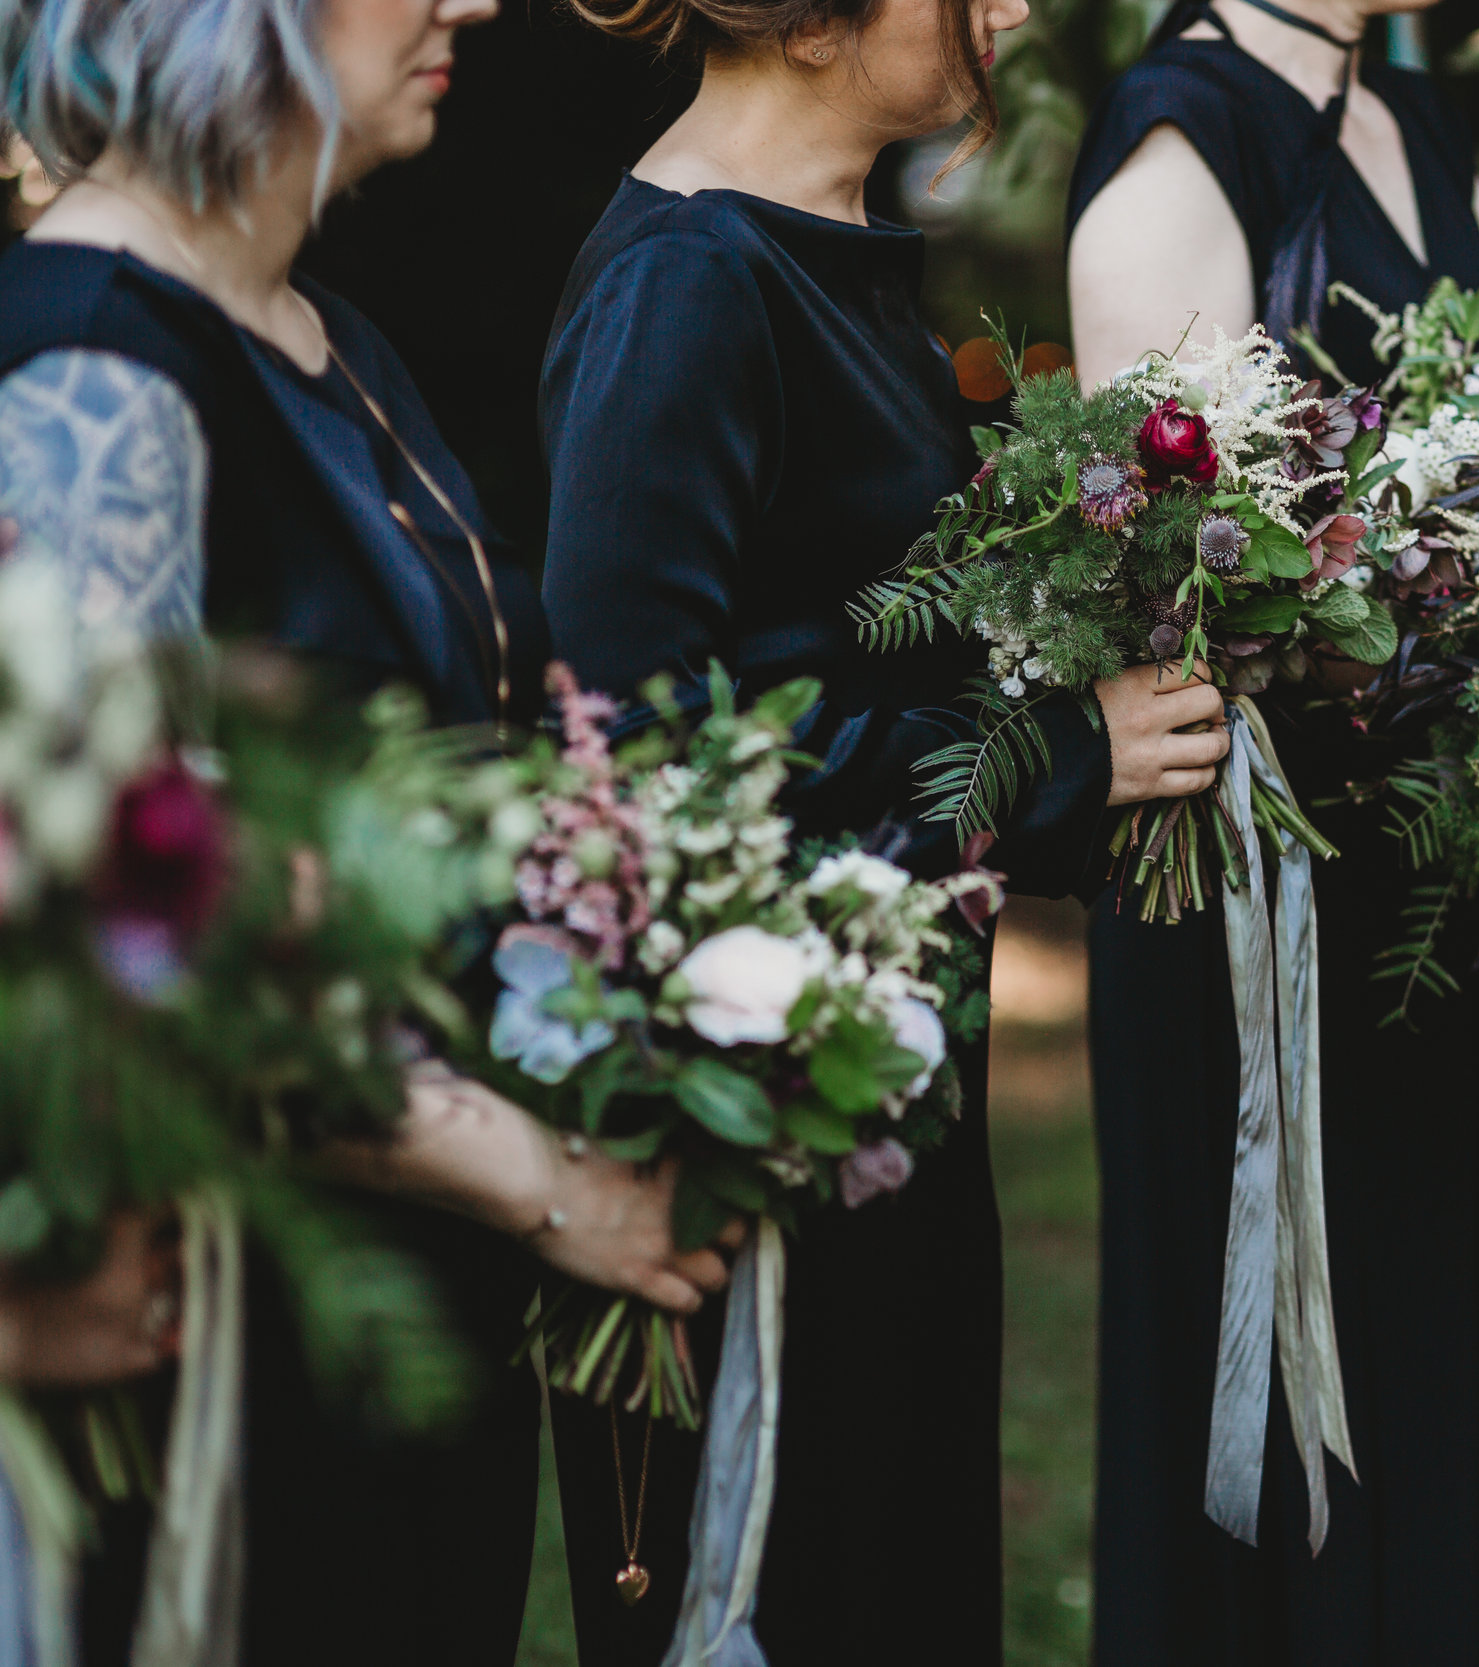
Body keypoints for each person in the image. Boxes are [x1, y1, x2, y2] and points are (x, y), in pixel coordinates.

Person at [0, 0, 744, 1653]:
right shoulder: (92, 373)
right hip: (216, 1340)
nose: (470, 0)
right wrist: (553, 1188)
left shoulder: (322, 332)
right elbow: (140, 946)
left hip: (411, 1318)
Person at [531, 0, 1228, 1657]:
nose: (1013, 8)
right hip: (747, 1150)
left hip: (885, 1097)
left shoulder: (836, 251)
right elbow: (647, 769)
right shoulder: (686, 289)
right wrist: (1061, 762)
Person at [1065, 1, 1479, 1662]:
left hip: (1472, 896)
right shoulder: (1173, 159)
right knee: (1369, 1408)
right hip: (1289, 927)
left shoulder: (1414, 123)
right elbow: (1194, 586)